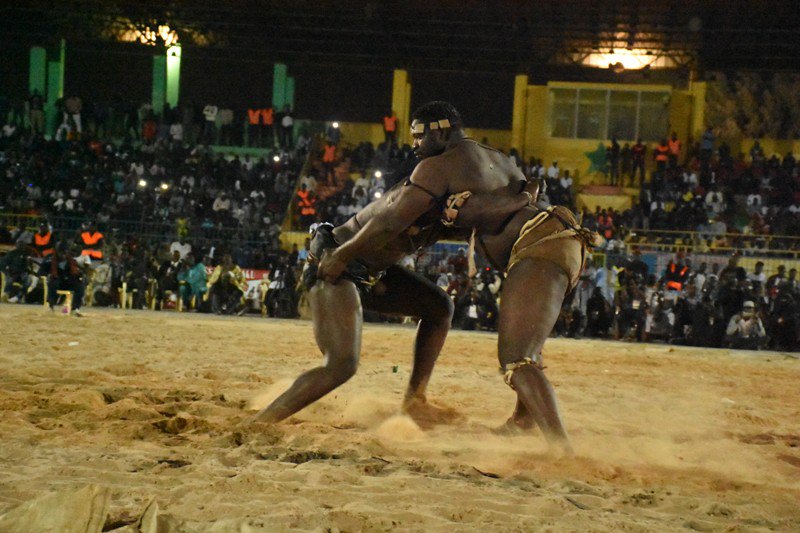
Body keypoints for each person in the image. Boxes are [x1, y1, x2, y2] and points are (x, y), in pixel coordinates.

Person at [316, 101, 593, 453]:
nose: (413, 143)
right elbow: (523, 197)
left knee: (517, 359)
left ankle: (562, 451)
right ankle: (523, 421)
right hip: (561, 240)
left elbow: (389, 221)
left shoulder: (439, 167)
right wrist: (521, 195)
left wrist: (342, 253)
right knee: (529, 347)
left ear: (441, 131)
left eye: (418, 134)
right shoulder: (498, 159)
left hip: (539, 246)